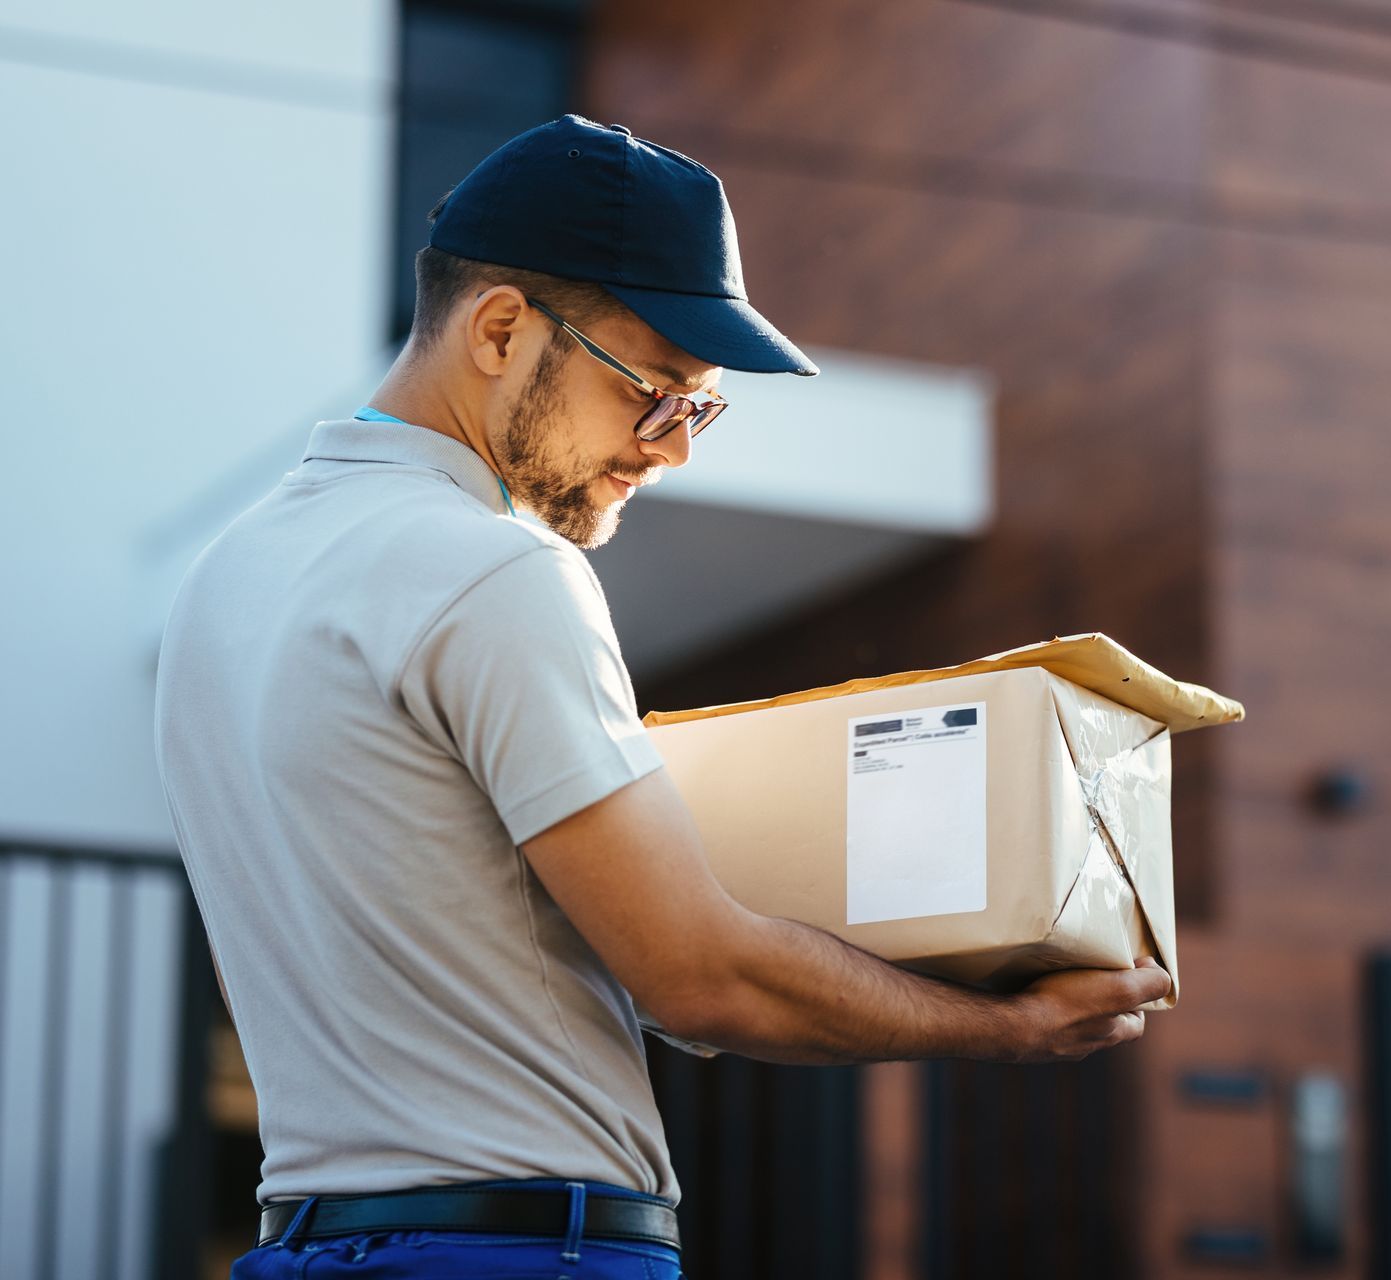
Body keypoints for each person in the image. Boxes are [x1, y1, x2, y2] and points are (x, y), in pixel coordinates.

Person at [153, 114, 1170, 1280]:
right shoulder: (493, 569)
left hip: (302, 1246)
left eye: (697, 408)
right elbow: (699, 976)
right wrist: (1011, 1028)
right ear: (498, 329)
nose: (672, 447)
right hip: (525, 1251)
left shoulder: (223, 582)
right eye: (658, 391)